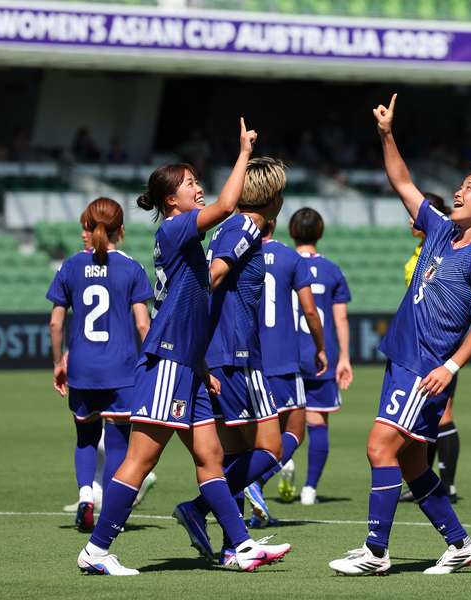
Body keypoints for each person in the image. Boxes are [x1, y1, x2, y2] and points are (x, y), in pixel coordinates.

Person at [76, 119, 291, 576]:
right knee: (141, 458)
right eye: (191, 184)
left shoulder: (180, 233)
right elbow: (230, 203)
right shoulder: (175, 229)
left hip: (186, 362)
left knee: (211, 458)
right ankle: (96, 550)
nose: (198, 188)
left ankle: (241, 545)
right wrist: (243, 153)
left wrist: (199, 364)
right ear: (171, 200)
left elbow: (187, 304)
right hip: (168, 359)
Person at [329, 94, 471, 576]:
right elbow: (403, 181)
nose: (457, 192)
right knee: (412, 466)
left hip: (426, 367)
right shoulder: (438, 229)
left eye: (468, 188)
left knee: (378, 447)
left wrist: (449, 367)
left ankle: (375, 552)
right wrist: (387, 133)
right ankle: (460, 544)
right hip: (405, 358)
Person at [173, 157, 293, 564]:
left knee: (237, 454)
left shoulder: (242, 228)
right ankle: (200, 508)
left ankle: (230, 546)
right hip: (235, 355)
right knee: (271, 447)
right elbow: (214, 274)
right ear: (274, 196)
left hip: (227, 352)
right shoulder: (244, 226)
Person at [47, 197, 154, 532]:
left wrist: (59, 361)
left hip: (82, 367)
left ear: (88, 227)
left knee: (85, 439)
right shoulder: (131, 268)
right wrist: (149, 361)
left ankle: (84, 497)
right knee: (119, 443)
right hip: (121, 369)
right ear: (120, 230)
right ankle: (108, 512)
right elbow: (143, 325)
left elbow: (55, 323)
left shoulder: (70, 267)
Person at [245, 188, 329, 525]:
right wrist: (321, 347)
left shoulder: (238, 254)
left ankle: (241, 494)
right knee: (295, 427)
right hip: (282, 359)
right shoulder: (289, 258)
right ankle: (254, 481)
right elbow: (310, 311)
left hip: (247, 359)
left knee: (248, 432)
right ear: (274, 223)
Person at [399, 192, 461, 505]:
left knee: (444, 413)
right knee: (425, 415)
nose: (411, 220)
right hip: (417, 342)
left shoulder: (445, 247)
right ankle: (426, 481)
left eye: (416, 215)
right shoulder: (419, 251)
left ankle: (446, 484)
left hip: (439, 341)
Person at [290, 207, 353, 506]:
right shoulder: (331, 270)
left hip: (284, 356)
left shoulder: (279, 261)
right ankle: (310, 489)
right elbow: (340, 319)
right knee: (317, 422)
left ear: (291, 232)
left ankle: (279, 464)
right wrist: (344, 358)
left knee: (278, 421)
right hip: (320, 355)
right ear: (320, 233)